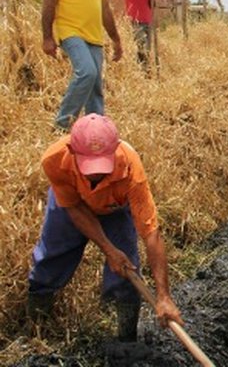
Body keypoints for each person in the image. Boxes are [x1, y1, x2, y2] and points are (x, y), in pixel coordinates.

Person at [27, 113, 183, 342]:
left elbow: (151, 233)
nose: (96, 174)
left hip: (114, 209)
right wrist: (109, 250)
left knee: (127, 267)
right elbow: (74, 209)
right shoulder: (55, 159)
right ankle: (37, 328)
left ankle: (126, 339)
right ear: (72, 151)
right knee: (52, 257)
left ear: (115, 150)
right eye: (89, 166)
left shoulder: (130, 167)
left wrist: (164, 296)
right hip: (72, 205)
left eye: (102, 166)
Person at [42, 0, 123, 131]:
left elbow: (105, 8)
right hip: (70, 31)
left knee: (95, 84)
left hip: (94, 36)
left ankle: (95, 130)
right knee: (86, 73)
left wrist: (116, 40)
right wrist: (47, 37)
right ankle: (62, 125)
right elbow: (49, 1)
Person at [109, 0, 156, 72]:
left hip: (147, 21)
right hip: (135, 21)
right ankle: (142, 71)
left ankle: (144, 71)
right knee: (141, 46)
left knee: (147, 48)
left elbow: (152, 5)